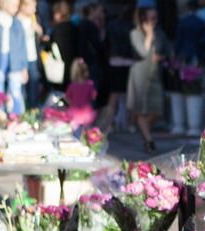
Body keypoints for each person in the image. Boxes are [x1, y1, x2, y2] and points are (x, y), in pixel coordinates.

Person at [126, 4, 164, 151]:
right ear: (143, 18)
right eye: (151, 18)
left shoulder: (159, 33)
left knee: (157, 110)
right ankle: (149, 140)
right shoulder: (135, 33)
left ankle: (144, 131)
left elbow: (166, 49)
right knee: (141, 109)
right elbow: (142, 52)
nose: (154, 21)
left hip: (154, 73)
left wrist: (161, 56)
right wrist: (148, 36)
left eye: (156, 18)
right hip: (140, 74)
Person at [0, 0, 29, 115]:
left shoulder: (17, 23)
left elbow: (22, 46)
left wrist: (24, 67)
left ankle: (17, 115)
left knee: (15, 89)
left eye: (17, 5)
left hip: (14, 60)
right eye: (14, 5)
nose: (16, 8)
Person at [101, 2, 135, 133]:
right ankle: (128, 123)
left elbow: (106, 42)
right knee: (128, 96)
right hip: (128, 60)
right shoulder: (131, 26)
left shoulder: (111, 25)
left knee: (114, 96)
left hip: (114, 60)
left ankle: (108, 123)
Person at [17, 0, 44, 107]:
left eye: (35, 6)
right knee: (22, 86)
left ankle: (34, 108)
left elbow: (41, 33)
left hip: (33, 57)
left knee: (34, 84)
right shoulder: (17, 20)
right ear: (23, 6)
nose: (35, 9)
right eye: (32, 6)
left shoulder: (34, 19)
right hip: (21, 58)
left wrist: (38, 29)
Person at [48, 0, 78, 91]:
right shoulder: (73, 27)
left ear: (58, 14)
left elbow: (53, 46)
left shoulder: (58, 29)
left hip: (59, 67)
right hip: (72, 66)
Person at [64, 57, 96, 128]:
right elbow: (93, 97)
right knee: (86, 134)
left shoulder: (72, 86)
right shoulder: (90, 84)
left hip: (74, 114)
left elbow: (67, 98)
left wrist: (72, 103)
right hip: (87, 115)